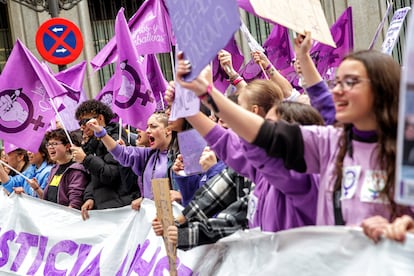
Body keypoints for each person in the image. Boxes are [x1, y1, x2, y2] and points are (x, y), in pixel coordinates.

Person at [174, 31, 414, 230]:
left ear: (383, 88)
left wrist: (403, 228)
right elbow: (266, 138)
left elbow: (322, 103)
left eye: (350, 82)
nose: (338, 90)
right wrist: (207, 94)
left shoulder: (408, 149)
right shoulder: (331, 143)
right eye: (337, 82)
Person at [153, 100, 324, 249]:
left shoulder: (303, 179)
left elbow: (226, 143)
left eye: (268, 126)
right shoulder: (262, 177)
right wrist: (179, 230)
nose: (259, 132)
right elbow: (234, 220)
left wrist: (201, 98)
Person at [85, 110, 172, 207]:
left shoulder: (179, 156)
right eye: (147, 127)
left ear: (168, 130)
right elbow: (121, 152)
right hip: (153, 216)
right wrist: (101, 132)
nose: (147, 131)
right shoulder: (149, 154)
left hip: (175, 216)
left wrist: (179, 195)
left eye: (153, 126)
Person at [72, 100, 140, 219]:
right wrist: (90, 197)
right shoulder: (92, 144)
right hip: (107, 207)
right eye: (80, 123)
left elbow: (110, 175)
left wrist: (86, 159)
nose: (82, 127)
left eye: (84, 121)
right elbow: (95, 178)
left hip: (122, 208)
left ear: (100, 118)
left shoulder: (114, 139)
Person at [40, 129, 89, 209]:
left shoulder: (76, 170)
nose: (50, 147)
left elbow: (75, 202)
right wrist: (36, 188)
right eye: (48, 144)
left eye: (54, 144)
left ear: (67, 147)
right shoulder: (54, 169)